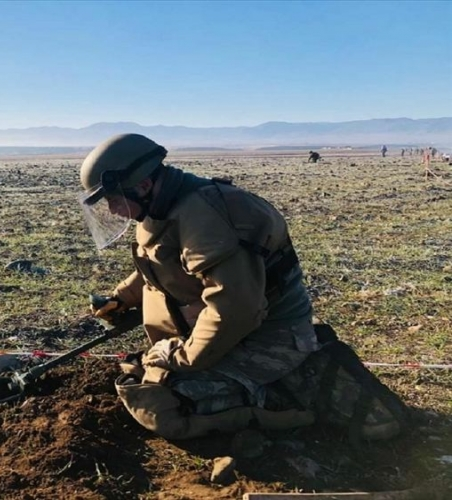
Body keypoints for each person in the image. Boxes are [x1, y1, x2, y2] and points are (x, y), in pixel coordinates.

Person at [79, 134, 407, 442]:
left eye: (114, 199)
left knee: (162, 405)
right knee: (148, 378)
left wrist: (181, 359)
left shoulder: (206, 217)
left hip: (269, 336)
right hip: (230, 332)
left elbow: (234, 309)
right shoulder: (163, 207)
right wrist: (121, 298)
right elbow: (161, 265)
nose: (112, 210)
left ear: (145, 184)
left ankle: (293, 404)